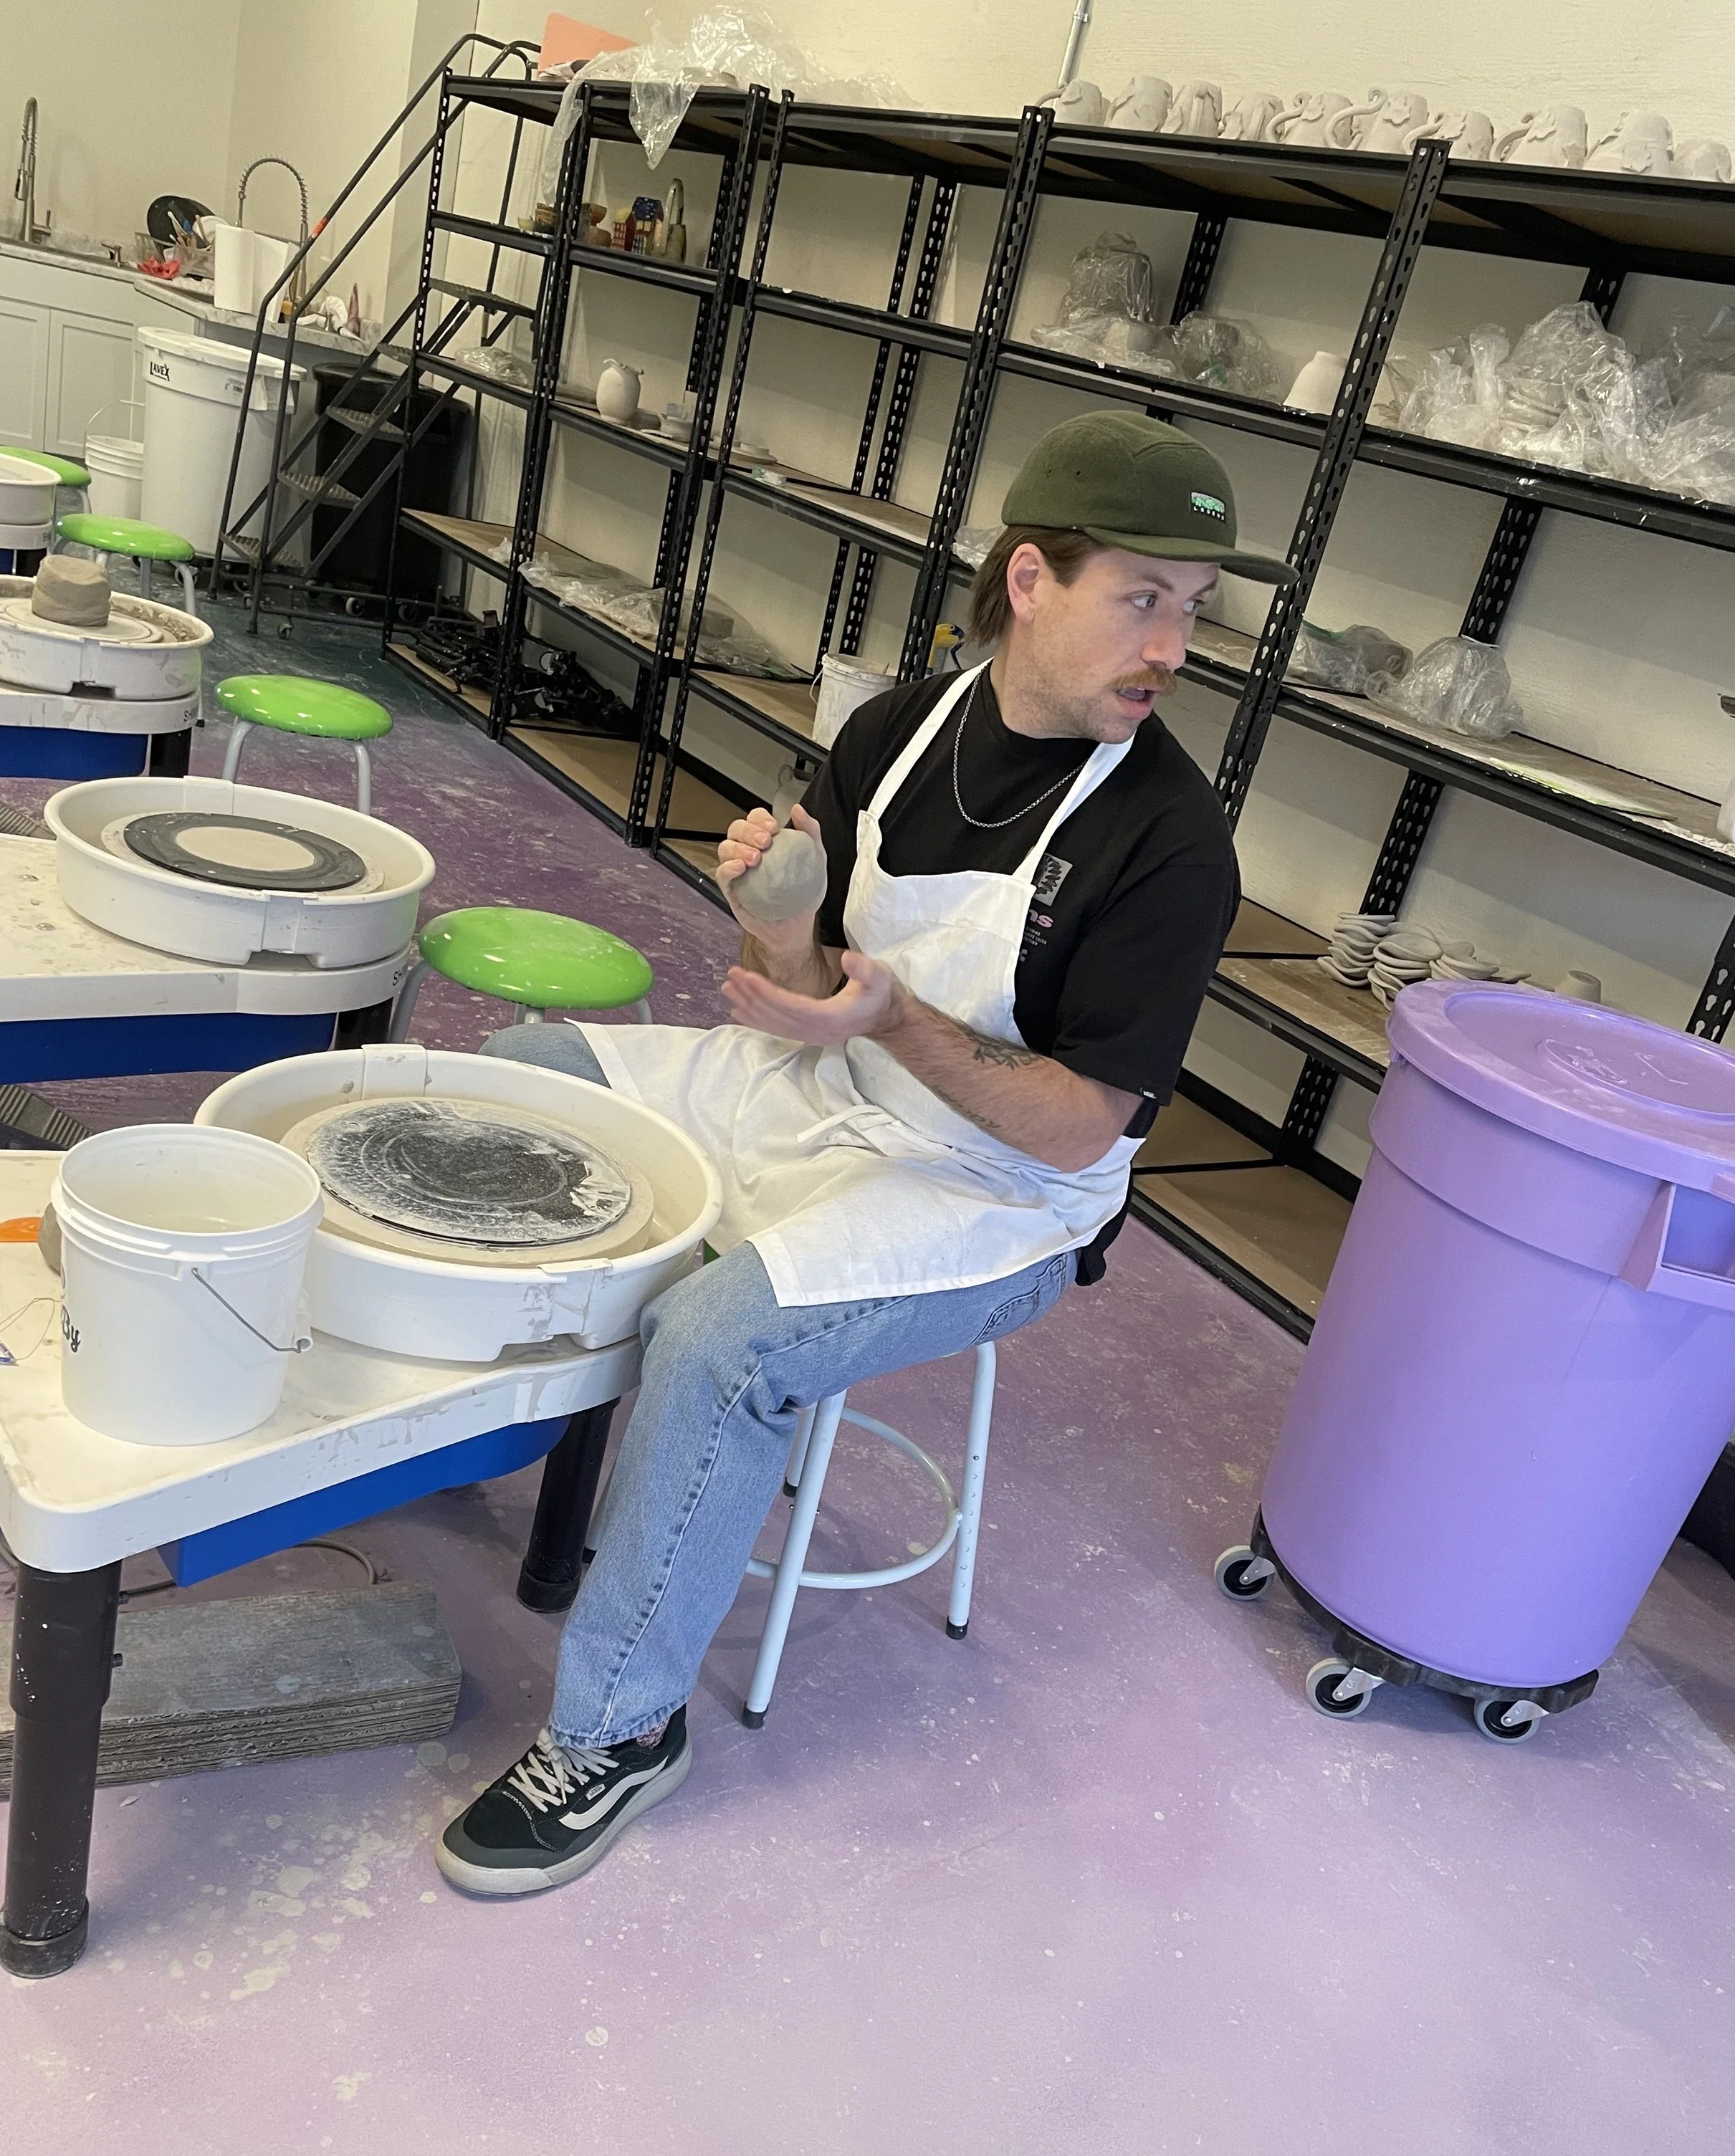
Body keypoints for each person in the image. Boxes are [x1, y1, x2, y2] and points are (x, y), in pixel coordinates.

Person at [436, 410, 1294, 1897]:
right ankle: (466, 1429)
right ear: (1030, 577)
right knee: (510, 1089)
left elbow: (1084, 1122)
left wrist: (883, 1022)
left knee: (716, 1341)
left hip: (995, 1187)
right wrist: (774, 908)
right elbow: (810, 964)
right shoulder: (894, 731)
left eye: (1193, 609)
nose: (1172, 644)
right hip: (824, 1081)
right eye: (1140, 597)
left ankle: (619, 1729)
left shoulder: (1166, 844)